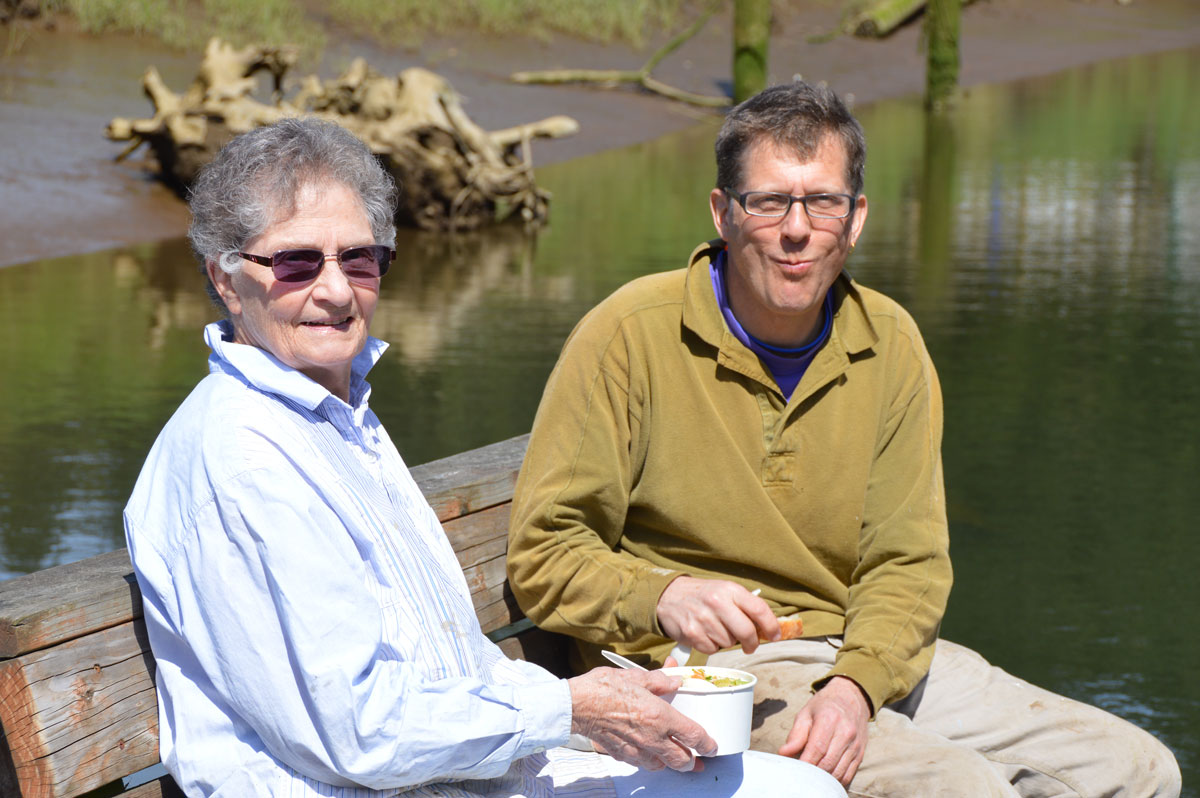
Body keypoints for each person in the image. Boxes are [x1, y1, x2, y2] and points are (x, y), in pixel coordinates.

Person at [123, 117, 846, 798]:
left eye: (361, 259)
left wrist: (587, 709)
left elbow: (436, 676)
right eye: (296, 263)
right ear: (226, 278)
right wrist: (570, 709)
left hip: (472, 776)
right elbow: (361, 733)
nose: (337, 290)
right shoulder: (243, 457)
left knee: (801, 786)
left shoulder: (335, 417)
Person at [506, 81, 1182, 797]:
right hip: (699, 675)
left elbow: (909, 565)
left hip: (858, 652)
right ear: (724, 212)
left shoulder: (890, 342)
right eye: (769, 201)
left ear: (855, 218)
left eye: (822, 201)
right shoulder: (628, 333)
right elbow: (544, 550)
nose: (796, 229)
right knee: (962, 788)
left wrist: (857, 686)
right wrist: (661, 592)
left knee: (1136, 770)